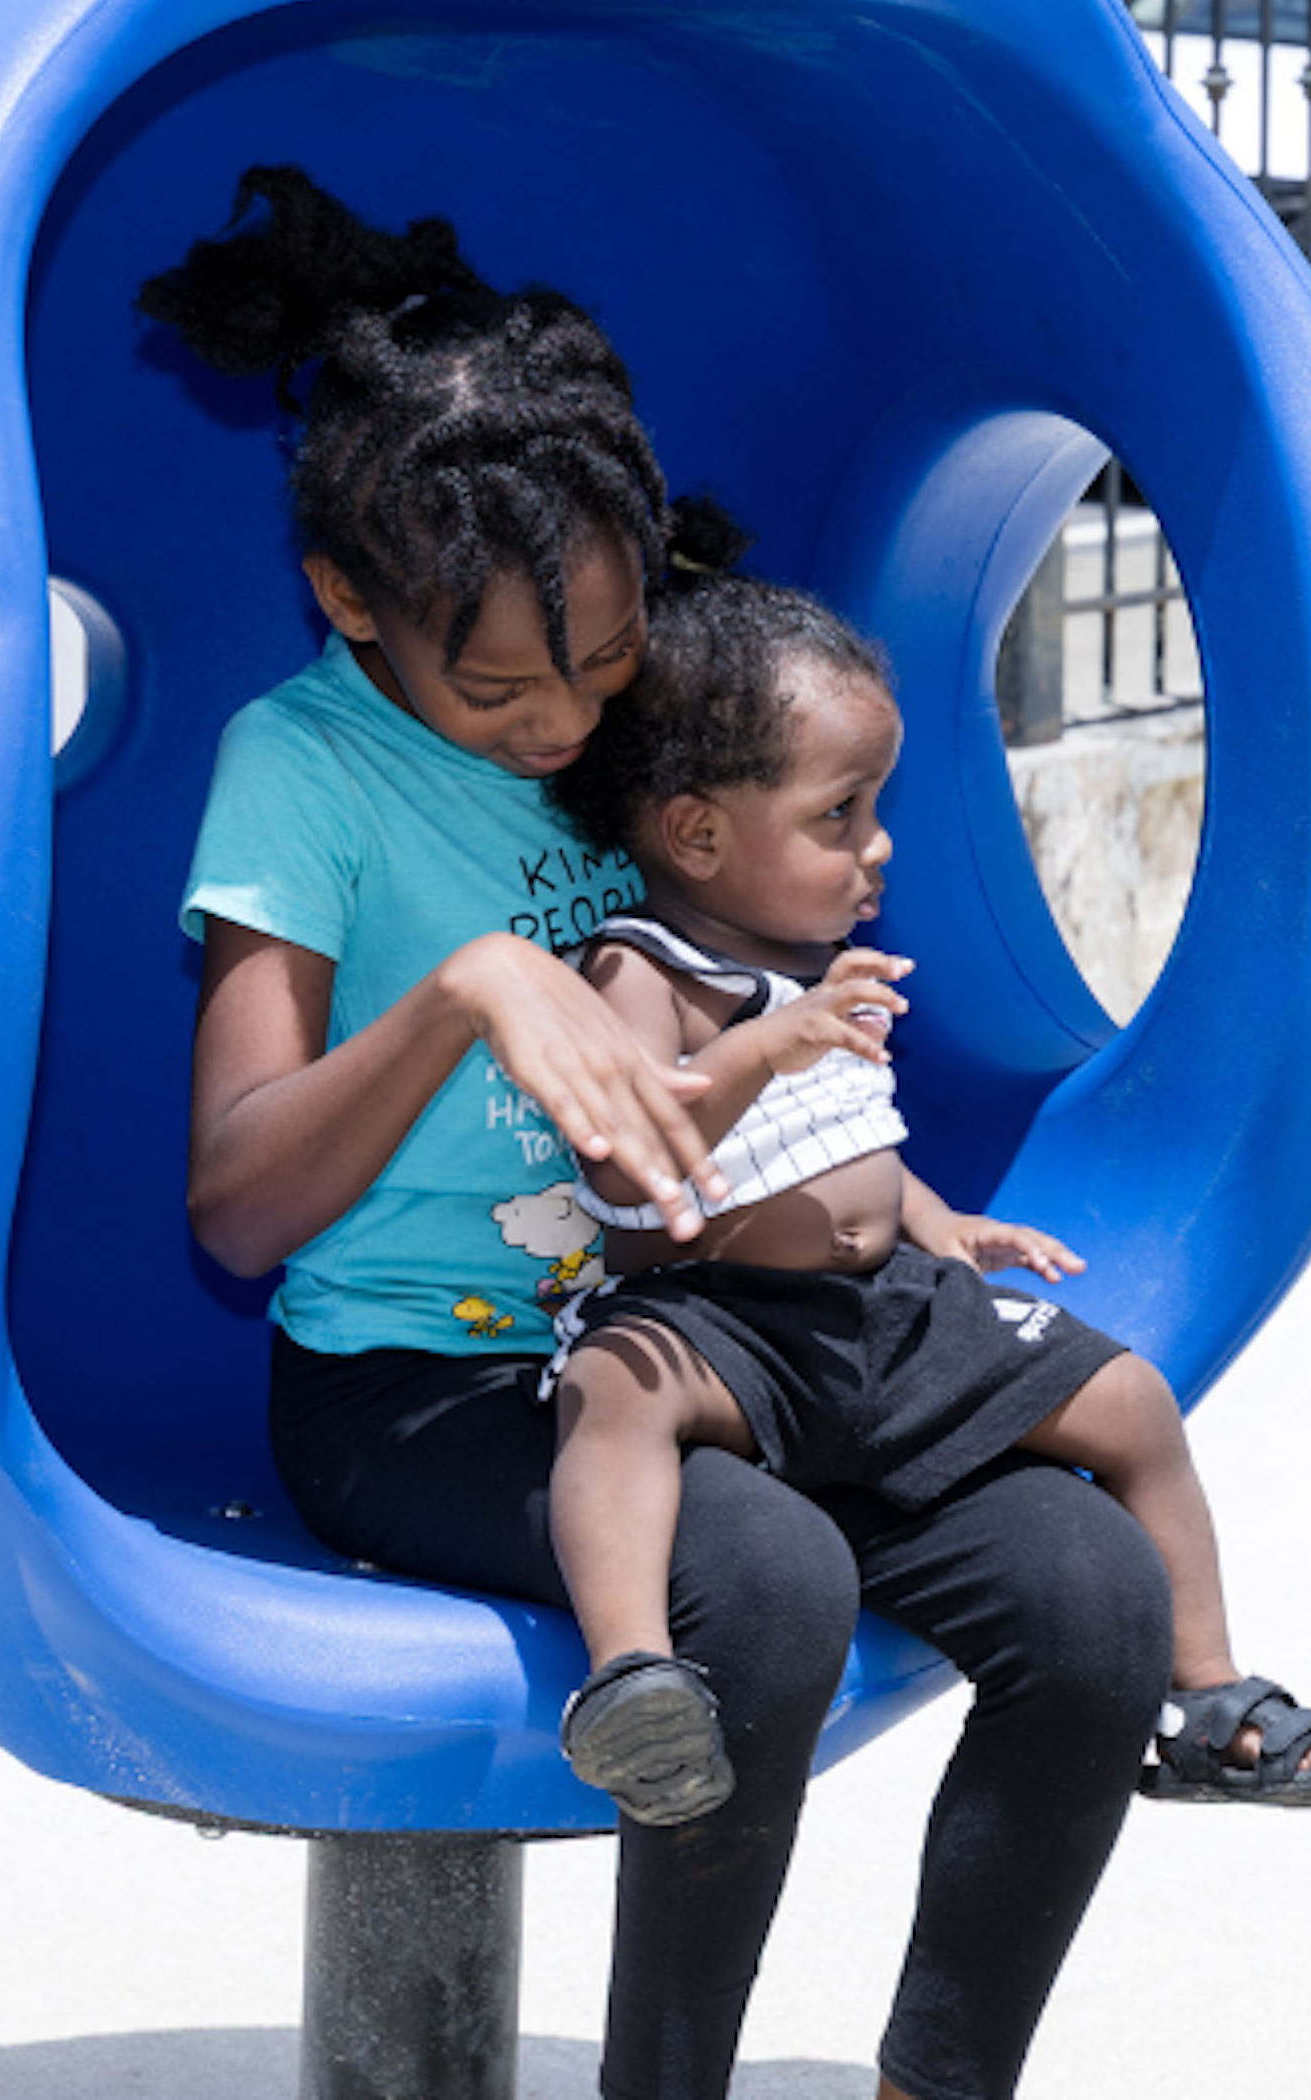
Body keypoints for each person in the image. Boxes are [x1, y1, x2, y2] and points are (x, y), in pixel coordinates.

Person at [147, 166, 1172, 2100]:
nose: (561, 725)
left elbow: (778, 959)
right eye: (497, 687)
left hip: (723, 1330)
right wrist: (469, 990)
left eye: (601, 662)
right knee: (766, 1588)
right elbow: (238, 1205)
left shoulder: (642, 712)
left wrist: (902, 1200)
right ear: (350, 600)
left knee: (1094, 1592)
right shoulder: (302, 771)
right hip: (423, 1382)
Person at [533, 572, 1311, 1823]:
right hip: (717, 1319)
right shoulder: (638, 969)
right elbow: (620, 1162)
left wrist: (940, 1225)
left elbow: (847, 1146)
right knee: (609, 1393)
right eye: (839, 813)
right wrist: (767, 1044)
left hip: (878, 1312)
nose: (876, 843)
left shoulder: (821, 970)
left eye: (875, 805)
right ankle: (632, 1673)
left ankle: (1205, 1693)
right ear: (696, 836)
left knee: (1132, 1401)